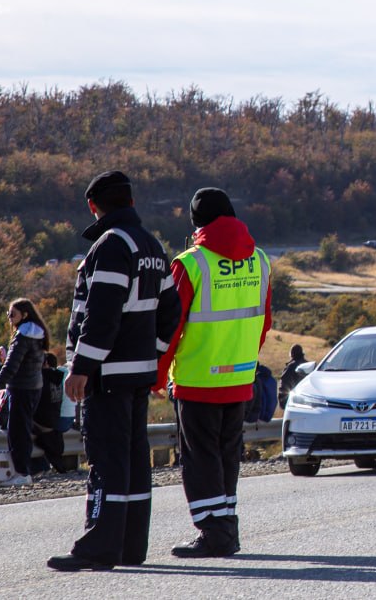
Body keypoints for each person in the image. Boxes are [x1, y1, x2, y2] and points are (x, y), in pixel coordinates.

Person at [49, 171, 181, 572]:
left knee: (107, 459)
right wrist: (152, 355)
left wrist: (82, 367)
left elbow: (101, 314)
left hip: (107, 376)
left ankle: (99, 546)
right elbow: (171, 312)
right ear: (131, 202)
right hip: (138, 374)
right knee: (134, 459)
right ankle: (129, 545)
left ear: (93, 206)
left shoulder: (110, 245)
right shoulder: (152, 245)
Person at [157, 187, 271, 559]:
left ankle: (214, 532)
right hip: (239, 378)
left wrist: (158, 374)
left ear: (196, 223)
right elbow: (264, 322)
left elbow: (170, 328)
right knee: (226, 457)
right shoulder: (260, 260)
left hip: (198, 379)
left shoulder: (191, 263)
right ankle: (226, 528)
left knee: (201, 459)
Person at [0, 298, 48, 486]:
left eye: (12, 314)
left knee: (17, 432)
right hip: (34, 387)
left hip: (21, 389)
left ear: (24, 315)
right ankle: (22, 471)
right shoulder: (37, 334)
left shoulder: (22, 336)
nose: (9, 318)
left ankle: (22, 473)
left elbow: (11, 367)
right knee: (22, 430)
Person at [31, 352, 69, 475]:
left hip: (42, 422)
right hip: (53, 421)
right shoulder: (58, 376)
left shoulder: (41, 377)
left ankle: (34, 467)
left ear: (45, 363)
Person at [278, 344, 307, 408]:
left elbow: (284, 383)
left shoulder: (291, 367)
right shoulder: (308, 365)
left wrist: (282, 401)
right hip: (307, 400)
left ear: (291, 354)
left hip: (293, 400)